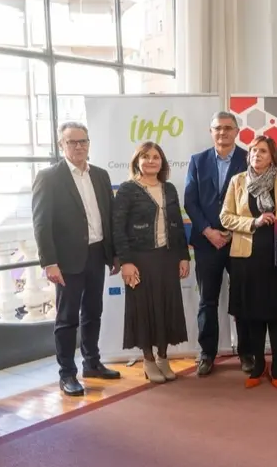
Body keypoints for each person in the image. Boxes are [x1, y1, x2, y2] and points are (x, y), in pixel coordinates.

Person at [31, 122, 122, 396]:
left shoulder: (101, 176)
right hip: (67, 260)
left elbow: (109, 217)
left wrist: (114, 253)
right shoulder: (49, 177)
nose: (79, 146)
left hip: (97, 254)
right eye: (72, 142)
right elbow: (41, 224)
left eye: (83, 141)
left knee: (93, 312)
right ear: (62, 145)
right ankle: (67, 374)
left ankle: (92, 363)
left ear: (89, 144)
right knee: (67, 318)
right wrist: (49, 262)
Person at [220, 135, 277, 389]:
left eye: (263, 151)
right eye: (253, 151)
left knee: (275, 313)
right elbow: (225, 217)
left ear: (272, 156)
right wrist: (253, 222)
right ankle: (258, 363)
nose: (257, 155)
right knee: (253, 314)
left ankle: (276, 363)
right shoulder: (238, 181)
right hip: (247, 258)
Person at [112, 142, 191, 384]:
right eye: (145, 157)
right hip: (139, 260)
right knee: (144, 310)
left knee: (166, 308)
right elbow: (118, 228)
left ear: (162, 162)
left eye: (156, 157)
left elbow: (177, 225)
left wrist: (183, 256)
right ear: (137, 161)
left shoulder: (169, 189)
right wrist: (125, 262)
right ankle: (147, 360)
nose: (151, 161)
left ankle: (163, 357)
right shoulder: (127, 189)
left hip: (166, 258)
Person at [184, 111, 248, 376]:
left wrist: (233, 231)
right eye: (217, 128)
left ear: (236, 131)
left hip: (240, 241)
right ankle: (207, 353)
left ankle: (247, 353)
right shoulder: (198, 161)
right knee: (207, 301)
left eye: (227, 128)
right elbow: (190, 201)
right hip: (207, 241)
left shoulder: (249, 158)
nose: (222, 133)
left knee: (243, 299)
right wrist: (208, 231)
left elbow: (256, 199)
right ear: (211, 132)